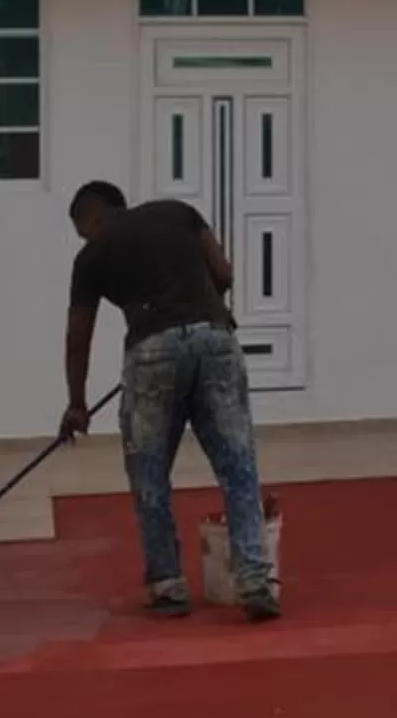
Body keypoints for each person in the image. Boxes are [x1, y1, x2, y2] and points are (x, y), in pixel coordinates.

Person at [60, 180, 280, 621]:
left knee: (149, 473)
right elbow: (224, 271)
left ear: (91, 217)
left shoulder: (92, 254)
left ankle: (167, 585)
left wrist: (77, 403)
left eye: (82, 230)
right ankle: (255, 579)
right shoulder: (176, 212)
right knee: (238, 464)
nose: (84, 238)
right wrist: (207, 308)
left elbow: (78, 336)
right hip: (216, 339)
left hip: (151, 352)